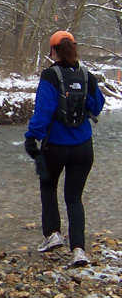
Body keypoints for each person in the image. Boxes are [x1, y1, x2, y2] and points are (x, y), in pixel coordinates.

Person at [24, 30, 105, 267]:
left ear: (54, 51)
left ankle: (53, 235)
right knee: (74, 198)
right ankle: (79, 250)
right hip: (83, 147)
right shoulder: (87, 75)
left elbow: (43, 111)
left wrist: (32, 138)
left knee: (48, 186)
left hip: (56, 147)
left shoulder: (50, 76)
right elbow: (97, 106)